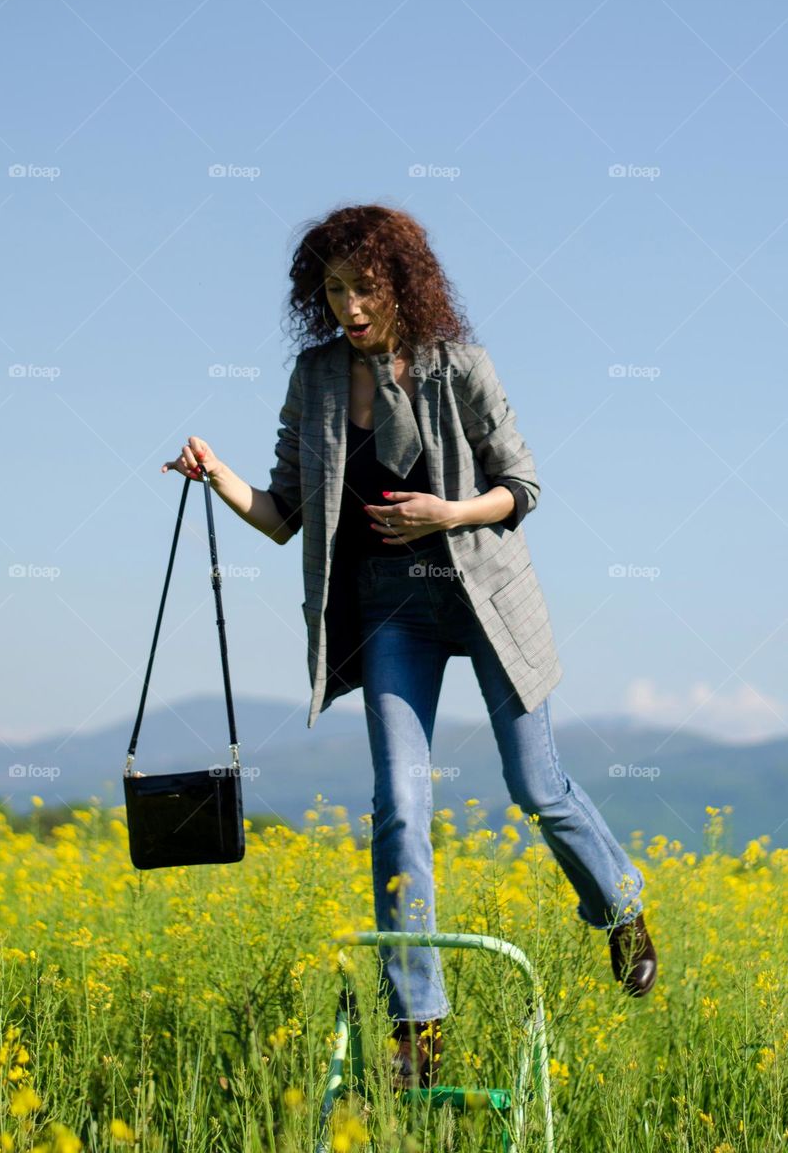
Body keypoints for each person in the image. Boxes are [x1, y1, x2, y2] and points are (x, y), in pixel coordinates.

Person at [162, 204, 657, 1089]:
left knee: (535, 786)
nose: (348, 305)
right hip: (390, 608)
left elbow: (523, 485)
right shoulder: (314, 379)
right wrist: (220, 476)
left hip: (485, 592)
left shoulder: (458, 366)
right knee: (398, 801)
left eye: (363, 287)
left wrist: (447, 512)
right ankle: (416, 1026)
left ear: (402, 283)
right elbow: (284, 517)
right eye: (332, 290)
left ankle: (619, 907)